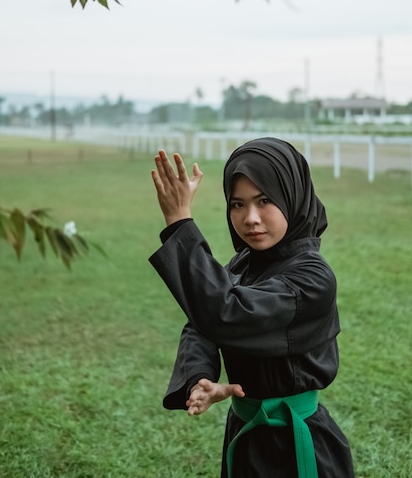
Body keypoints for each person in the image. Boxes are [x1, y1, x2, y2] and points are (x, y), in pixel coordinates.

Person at [149, 137, 355, 478]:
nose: (251, 218)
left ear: (293, 197)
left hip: (298, 444)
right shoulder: (243, 264)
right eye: (238, 204)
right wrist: (201, 376)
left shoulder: (313, 279)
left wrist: (178, 222)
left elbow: (225, 313)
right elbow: (201, 324)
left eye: (264, 200)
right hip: (245, 435)